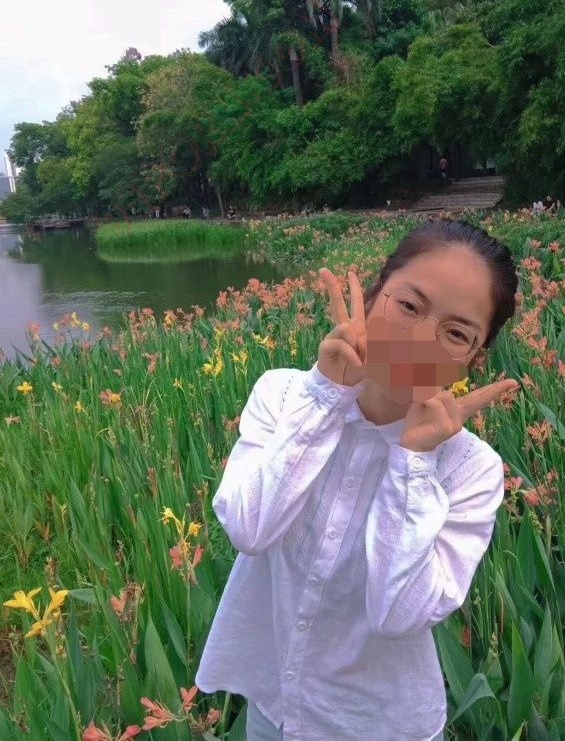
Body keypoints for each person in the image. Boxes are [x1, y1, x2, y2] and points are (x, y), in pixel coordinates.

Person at [194, 220, 520, 741]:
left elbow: (397, 615)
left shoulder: (469, 470)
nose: (419, 340)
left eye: (457, 333)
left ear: (474, 360)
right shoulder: (284, 397)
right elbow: (249, 530)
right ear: (372, 295)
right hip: (274, 710)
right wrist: (326, 396)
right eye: (408, 306)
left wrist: (414, 460)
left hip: (381, 725)